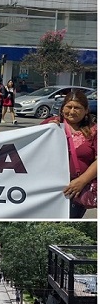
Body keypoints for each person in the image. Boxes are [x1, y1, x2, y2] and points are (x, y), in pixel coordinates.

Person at [41, 90, 97, 218]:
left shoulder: (94, 131)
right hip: (48, 188)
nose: (72, 111)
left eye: (77, 108)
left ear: (86, 110)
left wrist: (81, 181)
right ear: (62, 109)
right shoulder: (49, 125)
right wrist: (46, 130)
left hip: (76, 191)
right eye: (69, 107)